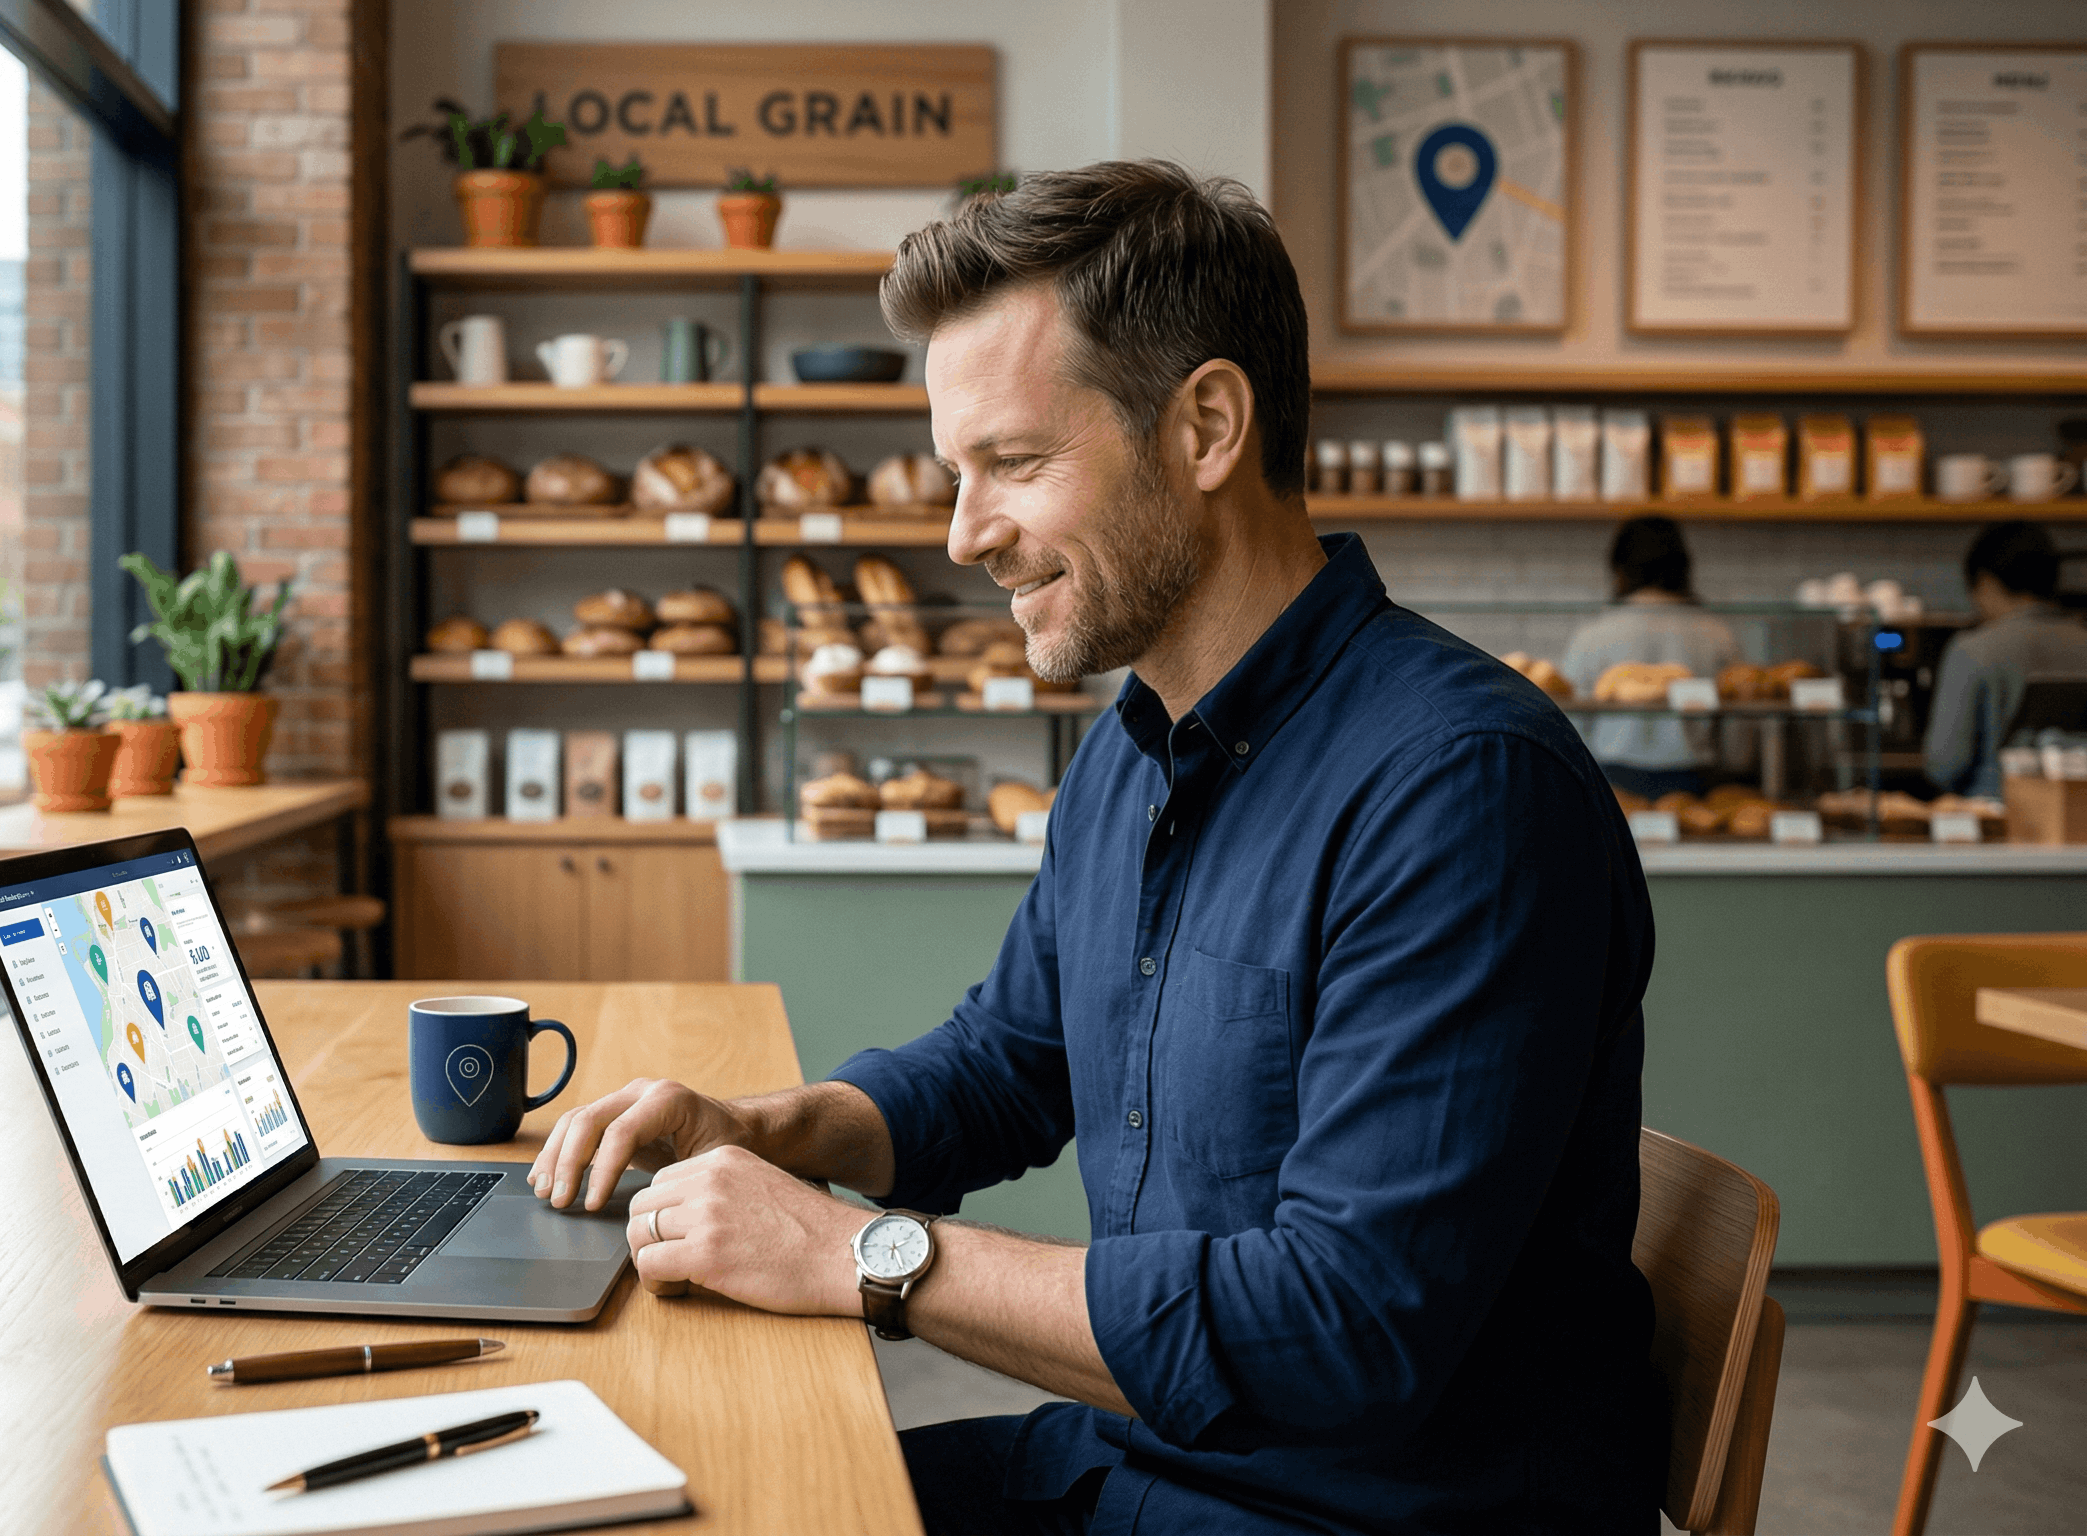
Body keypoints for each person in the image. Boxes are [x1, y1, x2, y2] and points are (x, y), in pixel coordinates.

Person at [529, 162, 1660, 1535]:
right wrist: (769, 1133)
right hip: (1141, 1464)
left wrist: (858, 1254)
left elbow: (1341, 1330)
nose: (964, 536)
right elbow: (1009, 1065)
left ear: (1208, 426)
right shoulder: (1133, 751)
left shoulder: (1462, 792)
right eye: (959, 473)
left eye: (1013, 462)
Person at [1558, 516, 1741, 799]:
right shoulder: (1716, 633)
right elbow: (1737, 729)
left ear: (1619, 568)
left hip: (1611, 782)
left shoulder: (1594, 633)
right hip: (1694, 782)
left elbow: (1570, 724)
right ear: (1683, 567)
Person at [1925, 520, 2087, 796]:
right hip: (2075, 819)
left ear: (1986, 583)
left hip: (1995, 819)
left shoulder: (1973, 650)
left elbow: (1945, 763)